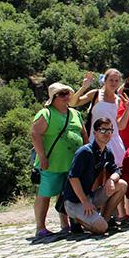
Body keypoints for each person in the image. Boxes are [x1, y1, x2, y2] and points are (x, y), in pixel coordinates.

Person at [31, 82, 87, 238]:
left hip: (72, 164)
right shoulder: (46, 113)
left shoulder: (75, 114)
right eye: (62, 94)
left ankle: (65, 224)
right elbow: (35, 134)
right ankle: (40, 227)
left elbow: (83, 134)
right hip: (51, 163)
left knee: (66, 194)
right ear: (53, 97)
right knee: (45, 194)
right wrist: (42, 157)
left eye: (67, 93)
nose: (66, 96)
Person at [63, 117, 128, 235]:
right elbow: (73, 178)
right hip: (74, 201)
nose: (106, 133)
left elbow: (116, 170)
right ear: (95, 133)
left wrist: (111, 179)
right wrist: (85, 202)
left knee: (122, 185)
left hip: (90, 196)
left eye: (109, 130)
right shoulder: (84, 152)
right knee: (101, 228)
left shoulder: (107, 152)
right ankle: (75, 218)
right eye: (103, 130)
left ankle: (105, 219)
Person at [71, 68, 127, 164]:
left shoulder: (119, 100)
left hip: (114, 142)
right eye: (111, 80)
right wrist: (83, 87)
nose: (113, 83)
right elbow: (73, 103)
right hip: (95, 139)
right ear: (105, 80)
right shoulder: (95, 94)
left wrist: (127, 109)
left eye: (116, 80)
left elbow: (120, 125)